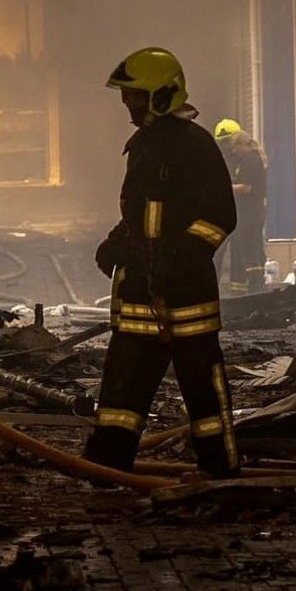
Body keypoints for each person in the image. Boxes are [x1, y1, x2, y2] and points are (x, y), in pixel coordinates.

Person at [86, 47, 241, 480]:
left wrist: (182, 257)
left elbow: (219, 218)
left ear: (162, 94)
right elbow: (140, 213)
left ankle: (220, 469)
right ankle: (107, 467)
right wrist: (116, 244)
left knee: (202, 388)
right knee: (122, 384)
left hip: (186, 292)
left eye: (135, 95)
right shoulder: (144, 145)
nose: (127, 105)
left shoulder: (195, 145)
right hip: (139, 289)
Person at [213, 119, 269, 293]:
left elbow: (246, 187)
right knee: (243, 248)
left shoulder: (248, 161)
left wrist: (223, 187)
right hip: (238, 211)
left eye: (232, 145)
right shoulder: (242, 159)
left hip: (245, 212)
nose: (231, 150)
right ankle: (247, 287)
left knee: (246, 248)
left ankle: (252, 286)